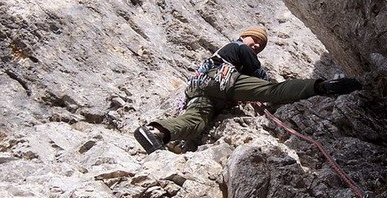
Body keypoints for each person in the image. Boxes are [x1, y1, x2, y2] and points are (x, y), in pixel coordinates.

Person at [134, 25, 361, 154]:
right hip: (220, 80)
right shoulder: (238, 47)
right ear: (243, 36)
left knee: (196, 122)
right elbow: (256, 71)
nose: (257, 45)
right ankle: (323, 86)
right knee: (272, 90)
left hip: (200, 91)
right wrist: (261, 84)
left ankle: (156, 132)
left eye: (260, 46)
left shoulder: (223, 55)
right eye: (255, 40)